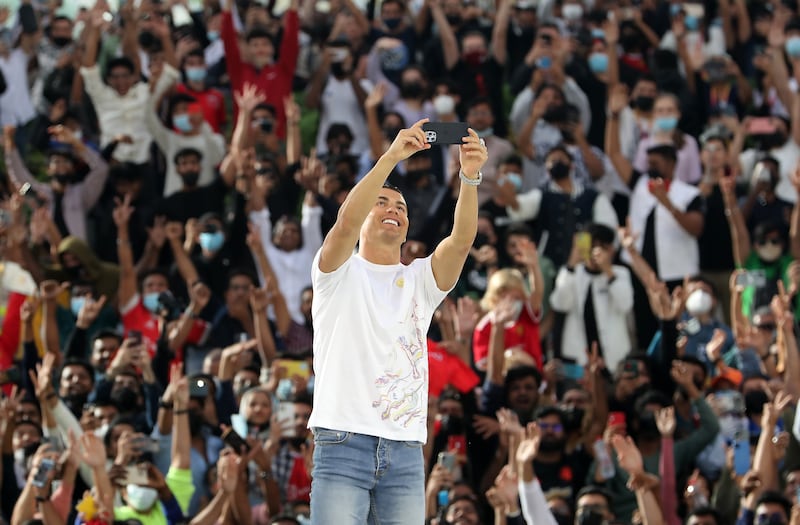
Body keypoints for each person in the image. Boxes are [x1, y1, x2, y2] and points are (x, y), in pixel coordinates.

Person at [308, 119, 488, 524]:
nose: (393, 211)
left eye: (402, 208)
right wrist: (391, 158)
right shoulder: (336, 270)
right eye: (383, 203)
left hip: (405, 450)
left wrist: (470, 177)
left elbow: (460, 242)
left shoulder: (421, 281)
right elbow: (345, 224)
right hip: (342, 440)